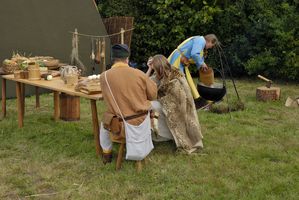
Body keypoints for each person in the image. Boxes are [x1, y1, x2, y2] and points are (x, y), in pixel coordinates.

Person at [99, 44, 157, 163]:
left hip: (120, 125)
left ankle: (107, 154)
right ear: (127, 59)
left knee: (105, 119)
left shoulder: (104, 76)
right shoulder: (139, 74)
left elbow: (106, 98)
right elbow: (152, 95)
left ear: (113, 59)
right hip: (142, 122)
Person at [147, 55, 203, 153]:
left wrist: (163, 100)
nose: (154, 71)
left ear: (160, 67)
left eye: (155, 69)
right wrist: (149, 68)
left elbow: (181, 97)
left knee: (152, 106)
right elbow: (144, 82)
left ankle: (166, 136)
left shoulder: (176, 75)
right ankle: (162, 135)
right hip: (167, 105)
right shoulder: (159, 75)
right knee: (151, 105)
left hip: (179, 107)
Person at [168, 34, 219, 100]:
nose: (211, 47)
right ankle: (174, 100)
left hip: (180, 60)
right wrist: (202, 63)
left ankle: (178, 100)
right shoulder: (201, 40)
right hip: (177, 59)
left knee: (178, 81)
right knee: (175, 81)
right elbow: (195, 54)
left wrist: (201, 66)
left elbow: (197, 56)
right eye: (212, 45)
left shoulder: (200, 40)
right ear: (210, 41)